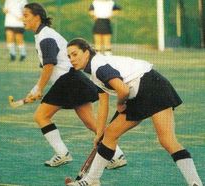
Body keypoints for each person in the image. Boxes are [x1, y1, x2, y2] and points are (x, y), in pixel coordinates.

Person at [66, 38, 203, 186]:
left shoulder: (99, 67)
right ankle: (92, 180)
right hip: (145, 88)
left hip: (151, 87)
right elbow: (103, 104)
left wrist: (120, 103)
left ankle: (195, 183)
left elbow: (123, 90)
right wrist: (100, 132)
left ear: (86, 52)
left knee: (167, 140)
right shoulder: (94, 70)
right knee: (110, 133)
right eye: (69, 57)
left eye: (75, 54)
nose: (72, 60)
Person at [22, 3, 126, 169]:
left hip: (68, 81)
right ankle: (117, 155)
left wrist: (38, 88)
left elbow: (49, 65)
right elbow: (49, 66)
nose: (23, 19)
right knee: (91, 122)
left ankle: (62, 153)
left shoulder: (45, 36)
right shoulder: (43, 35)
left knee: (41, 116)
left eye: (26, 15)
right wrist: (38, 88)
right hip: (74, 79)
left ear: (37, 17)